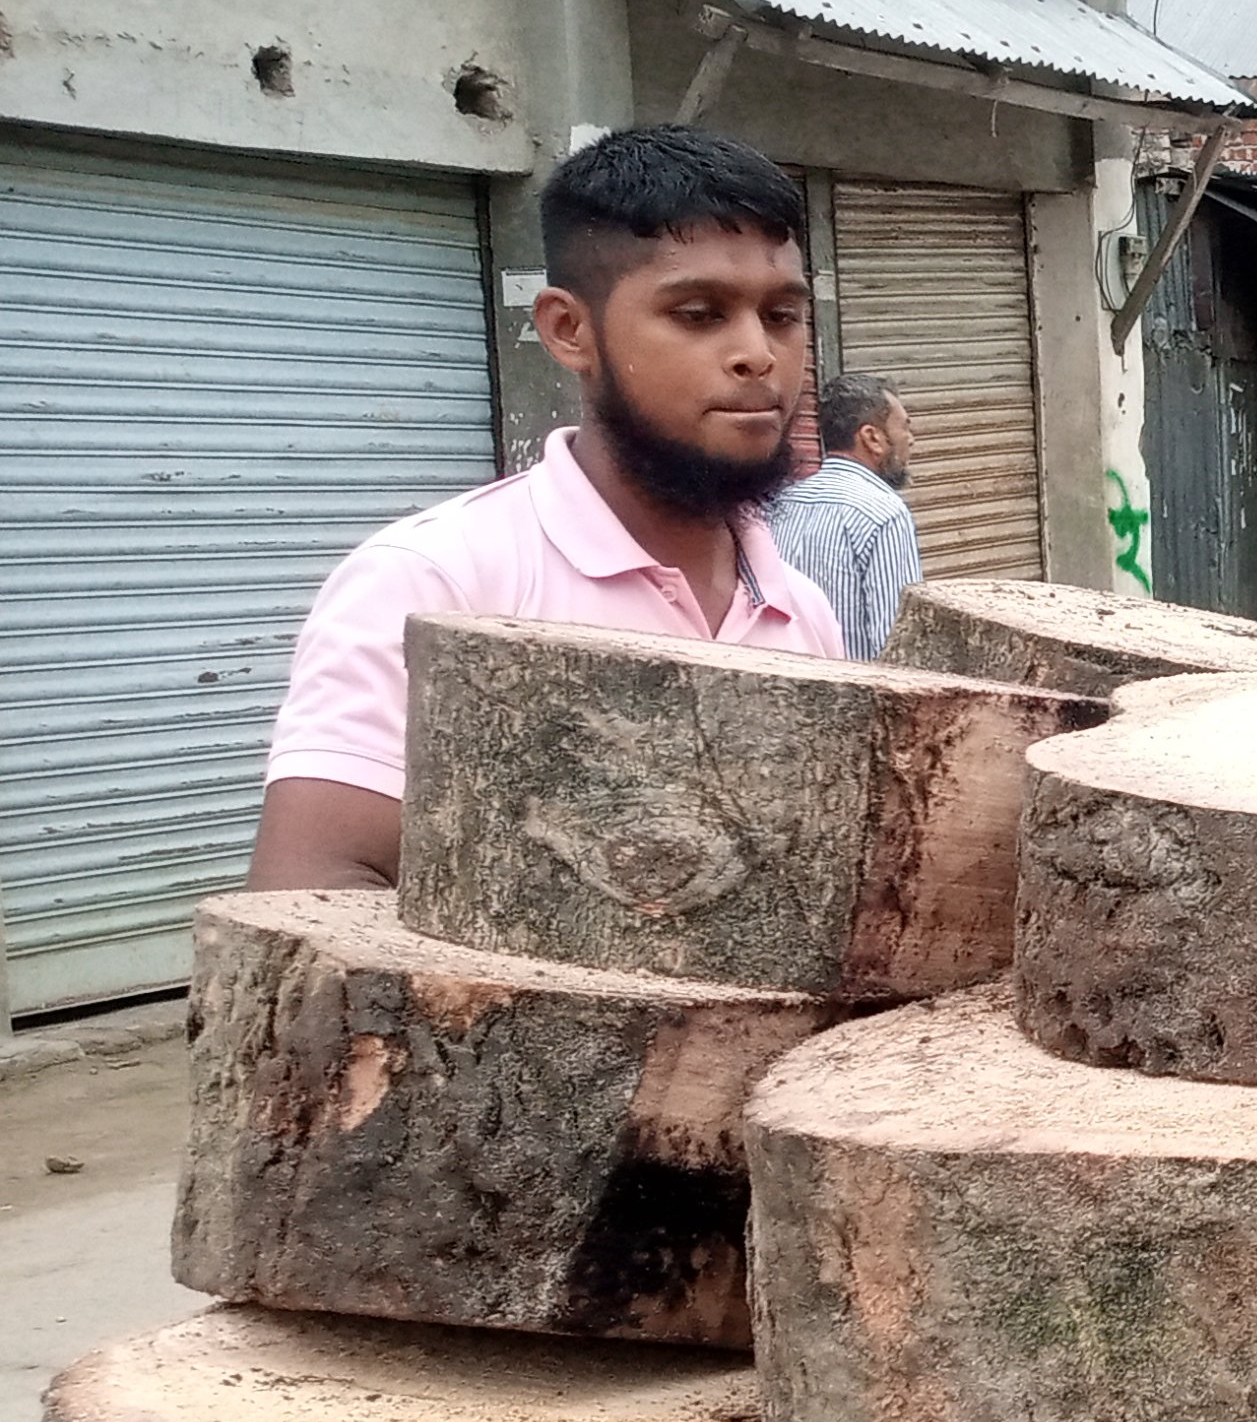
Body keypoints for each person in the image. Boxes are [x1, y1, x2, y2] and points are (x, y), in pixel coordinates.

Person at [248, 126, 841, 891]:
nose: (757, 353)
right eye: (698, 313)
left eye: (783, 316)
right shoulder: (438, 586)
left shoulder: (799, 611)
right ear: (569, 330)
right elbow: (315, 893)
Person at [764, 374, 923, 658]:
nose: (910, 440)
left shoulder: (783, 501)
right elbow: (895, 643)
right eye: (904, 428)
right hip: (854, 695)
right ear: (872, 438)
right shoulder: (884, 513)